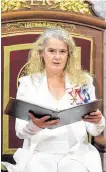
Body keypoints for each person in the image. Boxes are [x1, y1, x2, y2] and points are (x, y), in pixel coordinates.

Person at [2, 27, 105, 172]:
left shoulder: (83, 82)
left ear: (68, 54)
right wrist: (35, 125)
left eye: (62, 51)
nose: (57, 56)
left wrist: (98, 121)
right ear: (42, 53)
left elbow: (94, 131)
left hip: (77, 154)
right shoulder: (28, 84)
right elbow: (20, 132)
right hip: (39, 154)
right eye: (51, 51)